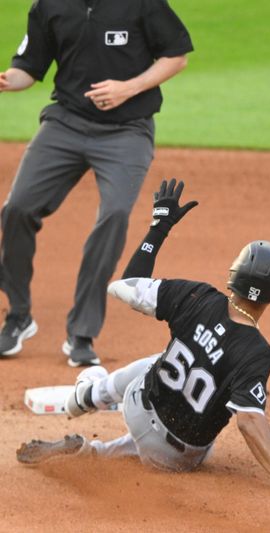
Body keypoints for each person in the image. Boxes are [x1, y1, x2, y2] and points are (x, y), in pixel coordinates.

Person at [16, 179, 270, 494]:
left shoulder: (198, 297)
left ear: (233, 275)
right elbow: (249, 421)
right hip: (175, 457)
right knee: (205, 407)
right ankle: (96, 449)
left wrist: (159, 228)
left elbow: (127, 285)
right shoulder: (256, 352)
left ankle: (85, 397)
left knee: (159, 363)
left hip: (137, 406)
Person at [0, 0, 193, 366]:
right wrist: (7, 81)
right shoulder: (49, 5)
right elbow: (28, 68)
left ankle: (81, 334)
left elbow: (176, 55)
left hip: (127, 131)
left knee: (114, 215)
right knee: (17, 208)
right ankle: (18, 316)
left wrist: (128, 88)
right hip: (65, 124)